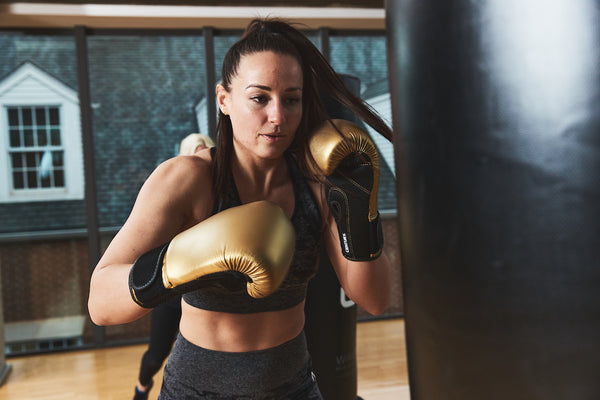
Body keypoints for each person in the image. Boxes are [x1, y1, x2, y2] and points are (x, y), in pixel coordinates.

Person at [89, 17, 392, 399]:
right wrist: (174, 266)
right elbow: (100, 303)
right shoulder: (188, 181)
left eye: (292, 99)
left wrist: (359, 209)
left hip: (294, 389)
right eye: (259, 97)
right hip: (195, 392)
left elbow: (376, 299)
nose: (278, 116)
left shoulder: (316, 185)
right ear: (224, 99)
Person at [132, 133, 215, 400]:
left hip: (208, 297)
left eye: (205, 153)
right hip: (173, 294)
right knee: (156, 356)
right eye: (194, 154)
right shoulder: (172, 194)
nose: (199, 161)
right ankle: (141, 388)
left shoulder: (223, 200)